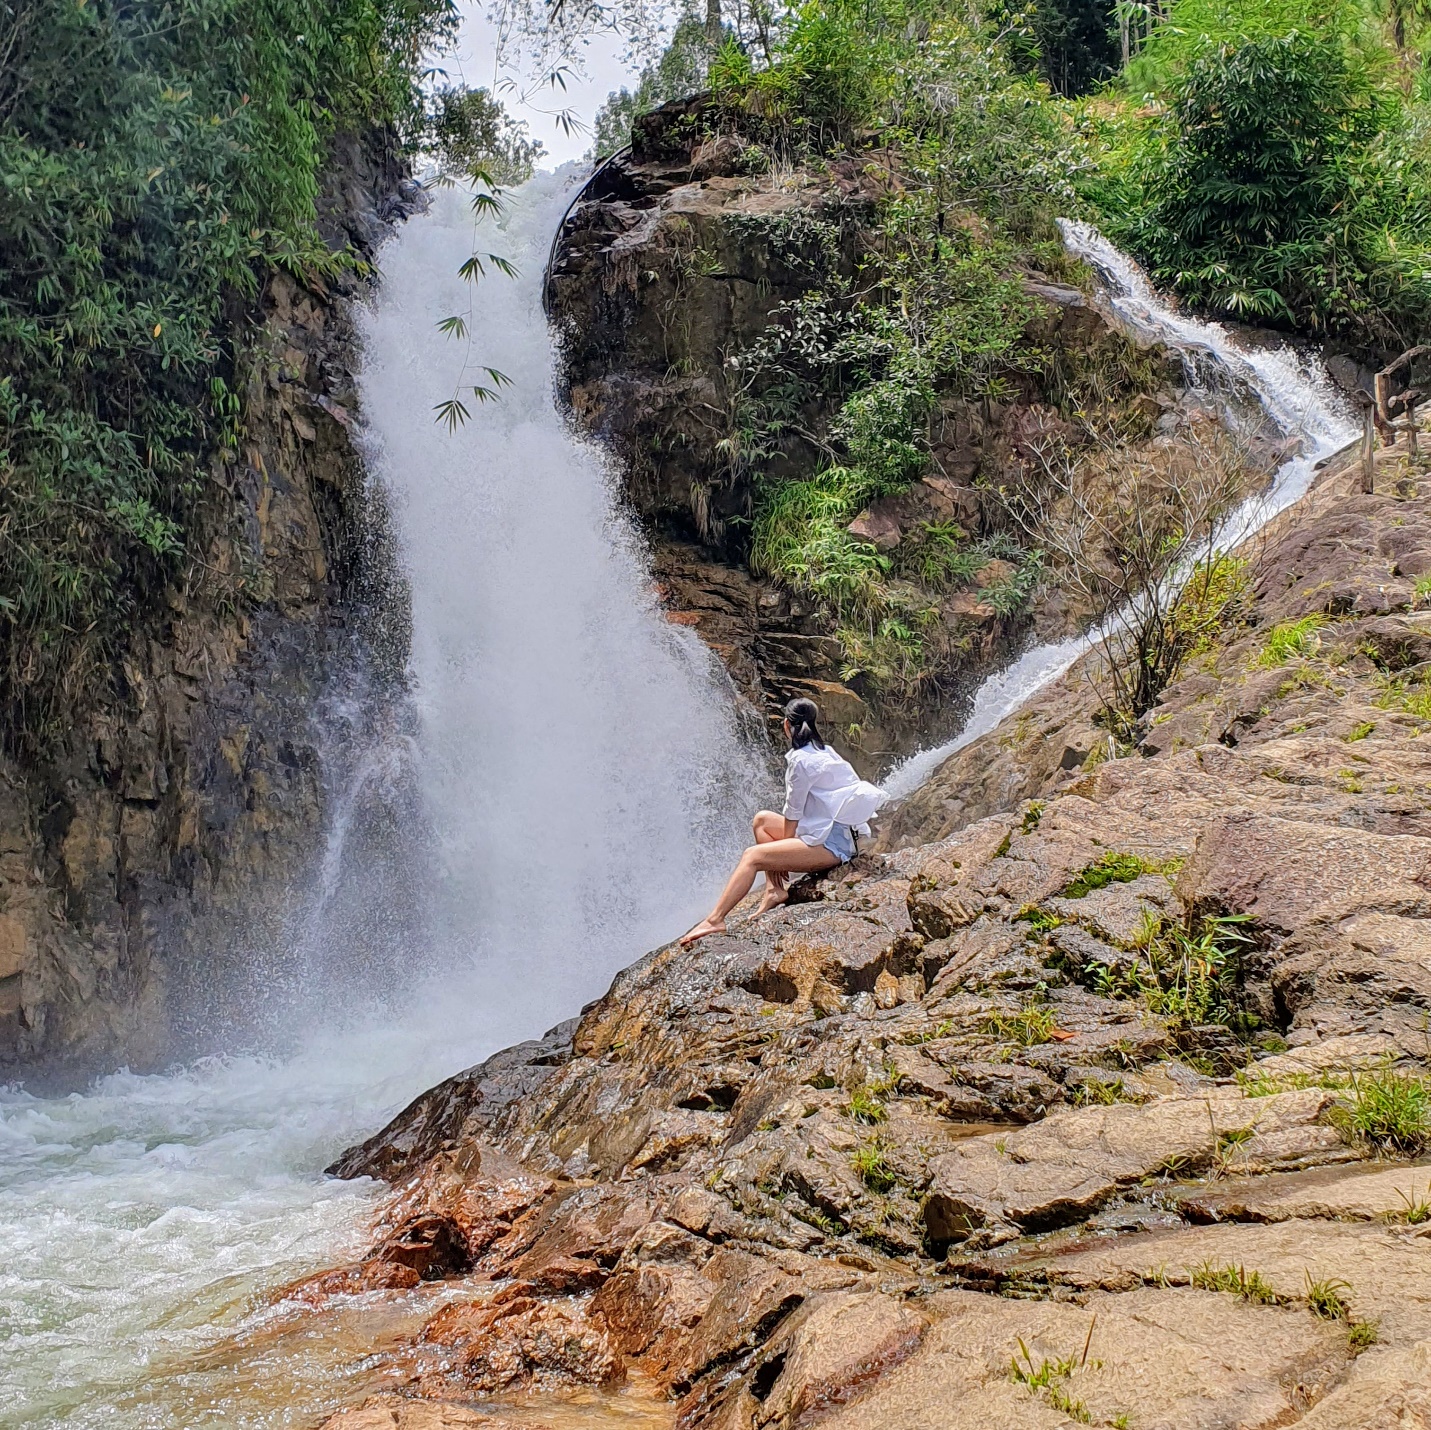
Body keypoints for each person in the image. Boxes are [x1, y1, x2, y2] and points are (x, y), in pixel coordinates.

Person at [680, 697, 886, 947]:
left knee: (752, 857)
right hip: (830, 834)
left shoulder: (800, 761)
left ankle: (715, 920)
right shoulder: (824, 751)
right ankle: (774, 890)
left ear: (787, 725)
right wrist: (783, 852)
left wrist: (782, 853)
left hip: (833, 846)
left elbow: (793, 812)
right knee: (762, 820)